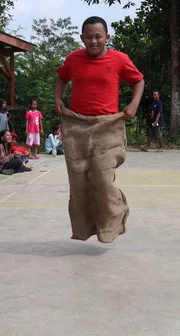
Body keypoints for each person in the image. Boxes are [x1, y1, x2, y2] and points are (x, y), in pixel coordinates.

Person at [54, 16, 145, 243]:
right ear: (82, 38)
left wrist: (133, 104)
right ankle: (85, 229)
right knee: (78, 181)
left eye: (98, 36)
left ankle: (115, 216)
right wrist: (58, 99)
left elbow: (138, 80)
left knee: (102, 179)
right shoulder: (73, 58)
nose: (93, 41)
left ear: (107, 37)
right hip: (77, 126)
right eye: (88, 37)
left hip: (108, 127)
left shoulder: (119, 59)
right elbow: (62, 77)